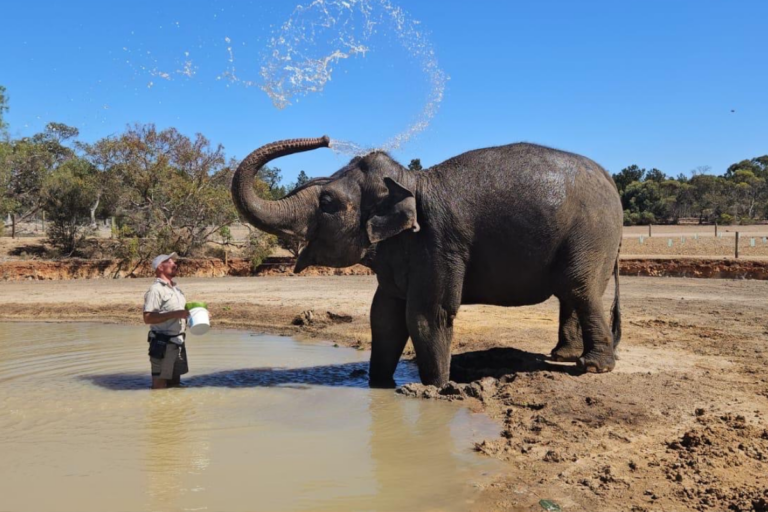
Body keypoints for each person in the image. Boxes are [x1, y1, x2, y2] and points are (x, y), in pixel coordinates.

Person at [143, 253, 189, 389]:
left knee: (175, 383)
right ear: (160, 267)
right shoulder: (155, 290)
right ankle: (159, 410)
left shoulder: (177, 289)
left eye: (174, 262)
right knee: (159, 385)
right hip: (162, 344)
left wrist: (199, 314)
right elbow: (148, 318)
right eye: (170, 262)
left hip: (179, 342)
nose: (175, 264)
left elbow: (182, 312)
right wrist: (176, 314)